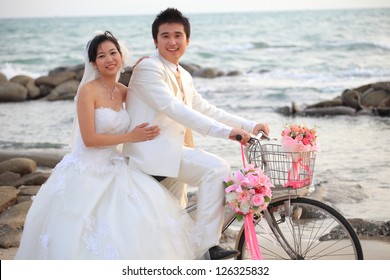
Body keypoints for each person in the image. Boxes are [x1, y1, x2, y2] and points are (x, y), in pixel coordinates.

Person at [15, 31, 204, 260]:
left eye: (113, 53)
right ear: (94, 63)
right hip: (86, 168)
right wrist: (131, 137)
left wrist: (146, 65)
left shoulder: (123, 91)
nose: (109, 59)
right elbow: (89, 139)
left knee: (139, 218)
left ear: (121, 56)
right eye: (102, 56)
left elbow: (155, 103)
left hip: (115, 164)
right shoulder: (88, 91)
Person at [122, 8, 270, 260]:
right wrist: (226, 133)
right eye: (165, 36)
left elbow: (204, 108)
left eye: (178, 36)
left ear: (187, 41)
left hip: (174, 152)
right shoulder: (149, 68)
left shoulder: (184, 74)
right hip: (153, 154)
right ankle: (207, 249)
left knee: (170, 230)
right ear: (155, 41)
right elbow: (174, 109)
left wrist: (248, 124)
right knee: (216, 169)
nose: (172, 42)